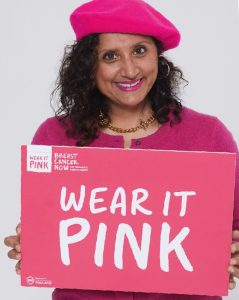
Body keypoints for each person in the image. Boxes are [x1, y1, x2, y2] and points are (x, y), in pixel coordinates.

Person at [4, 0, 239, 299]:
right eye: (110, 56)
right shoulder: (54, 135)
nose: (129, 70)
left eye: (140, 50)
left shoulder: (209, 135)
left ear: (158, 56)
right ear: (89, 66)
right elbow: (51, 225)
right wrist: (32, 245)